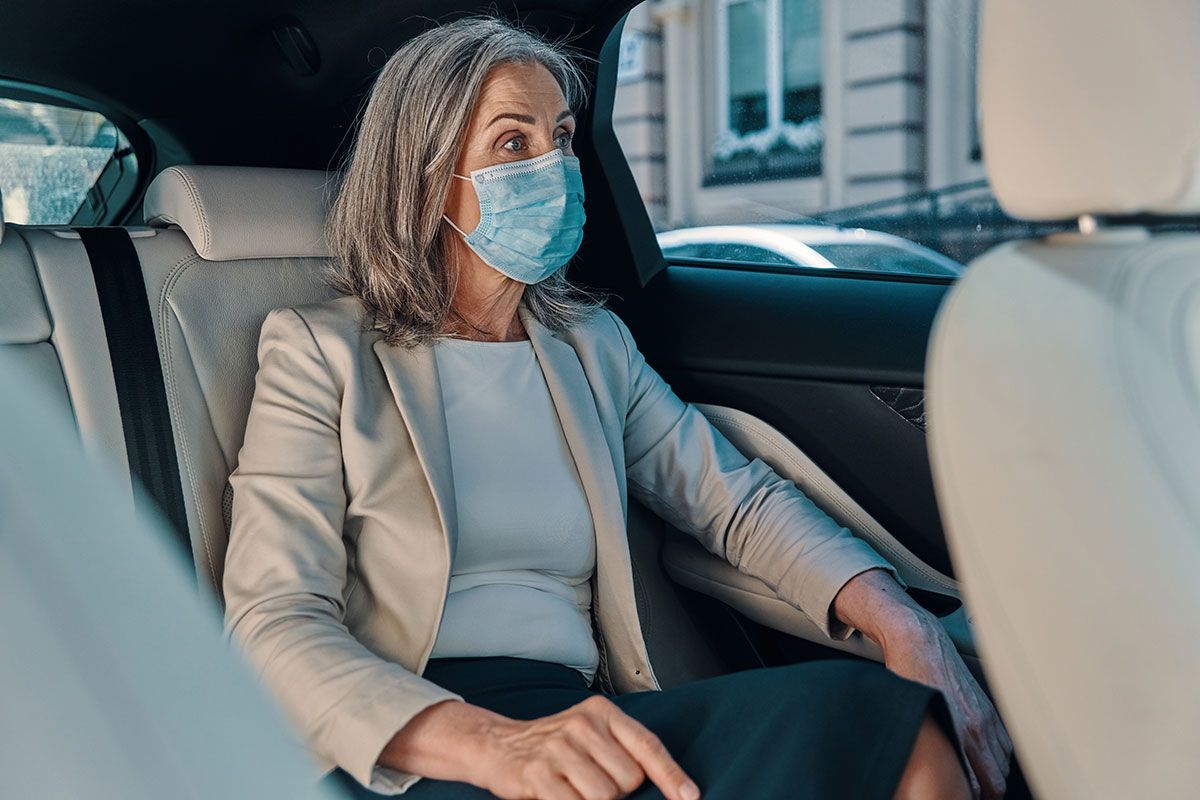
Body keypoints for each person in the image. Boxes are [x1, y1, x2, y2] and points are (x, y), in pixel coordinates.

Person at [221, 16, 1011, 800]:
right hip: (414, 742)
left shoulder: (593, 349)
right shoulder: (319, 353)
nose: (555, 166)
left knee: (895, 727)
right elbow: (274, 622)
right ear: (427, 176)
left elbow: (734, 501)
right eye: (512, 143)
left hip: (578, 715)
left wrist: (902, 624)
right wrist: (492, 745)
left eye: (562, 138)